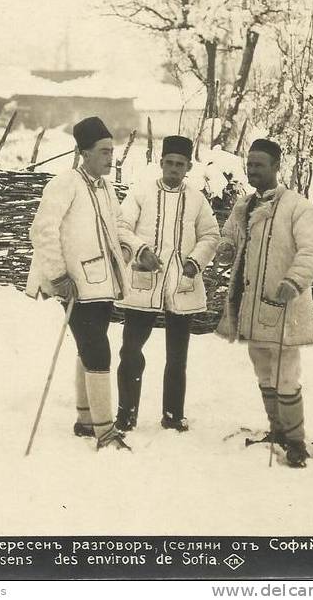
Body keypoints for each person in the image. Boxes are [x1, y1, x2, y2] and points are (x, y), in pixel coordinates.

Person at [216, 139, 313, 468]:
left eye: (259, 165)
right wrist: (225, 248)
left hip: (284, 307)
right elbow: (229, 237)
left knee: (286, 374)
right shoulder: (243, 206)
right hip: (253, 307)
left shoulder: (297, 207)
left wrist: (293, 281)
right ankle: (277, 430)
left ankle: (295, 441)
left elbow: (312, 250)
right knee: (264, 371)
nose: (253, 170)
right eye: (249, 164)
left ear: (277, 166)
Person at [26, 116, 131, 451]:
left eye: (111, 150)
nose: (109, 157)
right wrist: (58, 275)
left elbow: (116, 225)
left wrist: (128, 248)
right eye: (103, 151)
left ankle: (86, 420)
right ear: (84, 152)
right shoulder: (65, 183)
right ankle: (105, 432)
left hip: (100, 283)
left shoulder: (105, 187)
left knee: (92, 346)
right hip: (75, 285)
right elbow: (42, 230)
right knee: (98, 350)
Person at [116, 135, 220, 432]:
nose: (174, 168)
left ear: (188, 167)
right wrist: (141, 250)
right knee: (131, 350)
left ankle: (173, 416)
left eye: (180, 164)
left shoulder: (197, 199)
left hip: (181, 282)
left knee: (177, 356)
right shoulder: (141, 193)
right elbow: (121, 226)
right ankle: (126, 415)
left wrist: (195, 261)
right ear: (160, 163)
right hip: (144, 280)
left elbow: (211, 235)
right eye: (169, 163)